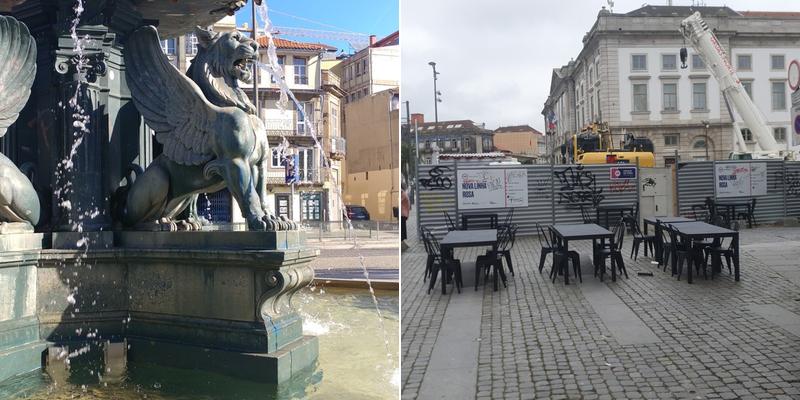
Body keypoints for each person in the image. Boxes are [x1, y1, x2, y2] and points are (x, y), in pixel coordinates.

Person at [401, 182, 410, 251]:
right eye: (405, 185)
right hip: (403, 214)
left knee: (403, 230)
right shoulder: (403, 193)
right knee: (402, 231)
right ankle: (402, 246)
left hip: (403, 214)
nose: (406, 186)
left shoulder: (403, 193)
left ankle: (403, 245)